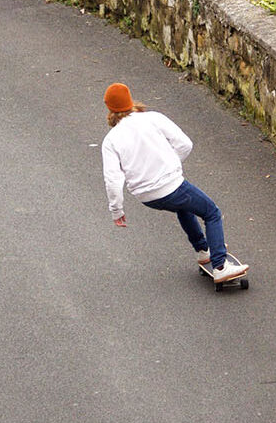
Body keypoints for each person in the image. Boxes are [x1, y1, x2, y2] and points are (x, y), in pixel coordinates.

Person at [100, 82, 248, 283]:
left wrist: (117, 211)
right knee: (211, 212)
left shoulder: (110, 140)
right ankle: (220, 266)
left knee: (183, 207)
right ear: (130, 100)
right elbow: (185, 144)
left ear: (109, 107)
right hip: (171, 186)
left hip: (147, 197)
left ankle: (203, 250)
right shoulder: (153, 118)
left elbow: (112, 179)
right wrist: (171, 166)